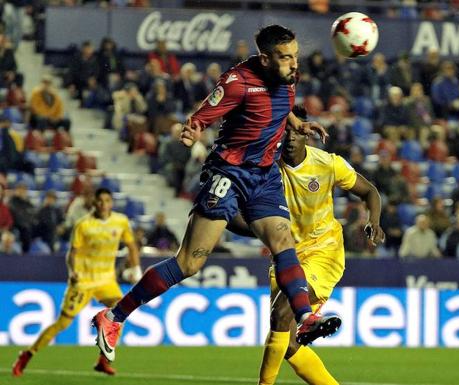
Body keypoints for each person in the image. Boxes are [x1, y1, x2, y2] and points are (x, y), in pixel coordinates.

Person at [92, 25, 335, 363]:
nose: (294, 64)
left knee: (283, 241)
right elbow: (203, 114)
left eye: (295, 55)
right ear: (265, 59)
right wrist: (192, 131)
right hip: (228, 174)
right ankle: (114, 316)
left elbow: (282, 106)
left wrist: (297, 124)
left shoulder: (287, 77)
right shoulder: (237, 83)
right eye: (285, 57)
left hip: (263, 176)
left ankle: (306, 319)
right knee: (189, 262)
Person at [226, 105, 384, 385]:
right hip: (285, 256)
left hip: (323, 253)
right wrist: (263, 229)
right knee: (286, 344)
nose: (289, 138)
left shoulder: (327, 164)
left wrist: (375, 221)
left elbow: (369, 191)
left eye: (294, 132)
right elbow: (235, 219)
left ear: (306, 133)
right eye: (283, 131)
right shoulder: (264, 171)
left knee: (283, 308)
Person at [12, 188, 141, 377]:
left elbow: (131, 245)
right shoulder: (84, 225)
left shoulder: (120, 221)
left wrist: (136, 268)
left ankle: (102, 361)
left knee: (120, 315)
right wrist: (73, 272)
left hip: (106, 280)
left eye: (107, 200)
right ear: (94, 203)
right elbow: (72, 253)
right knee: (62, 324)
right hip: (83, 281)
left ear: (111, 203)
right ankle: (26, 355)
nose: (103, 204)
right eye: (100, 201)